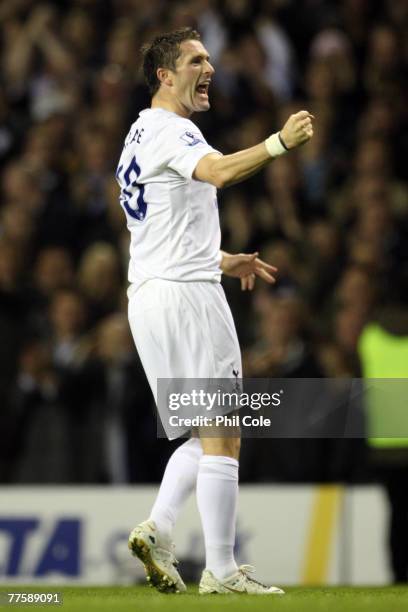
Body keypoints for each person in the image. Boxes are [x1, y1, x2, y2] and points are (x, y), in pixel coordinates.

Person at [116, 27, 313, 595]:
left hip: (152, 296)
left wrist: (221, 258)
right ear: (165, 75)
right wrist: (278, 142)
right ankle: (223, 572)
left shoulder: (136, 135)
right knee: (226, 431)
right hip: (186, 299)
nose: (209, 68)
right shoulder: (174, 130)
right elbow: (219, 172)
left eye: (209, 58)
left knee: (203, 437)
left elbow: (160, 227)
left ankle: (159, 529)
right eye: (196, 60)